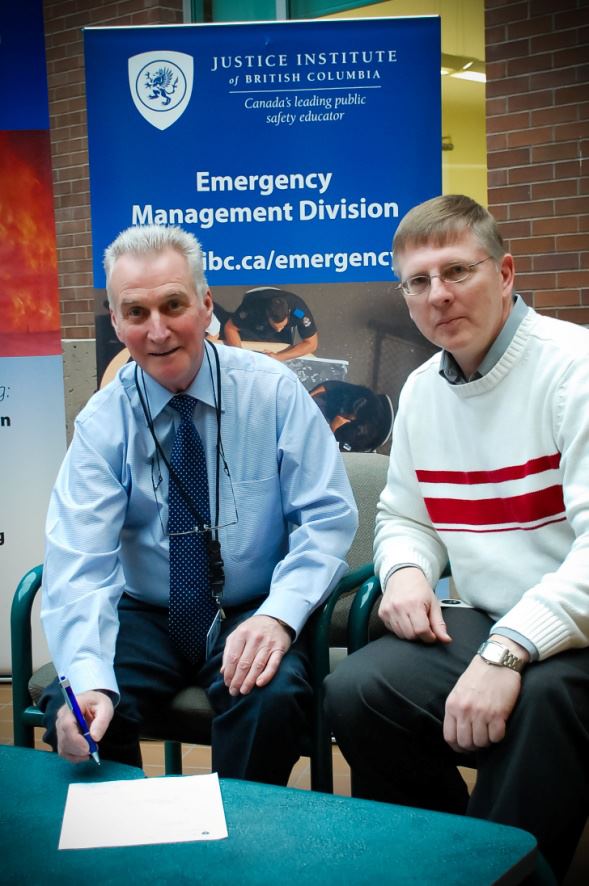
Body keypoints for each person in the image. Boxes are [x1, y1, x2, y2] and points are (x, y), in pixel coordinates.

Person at [324, 194, 589, 881]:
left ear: (503, 274)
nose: (437, 296)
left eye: (456, 272)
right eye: (417, 281)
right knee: (359, 690)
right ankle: (441, 860)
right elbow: (404, 515)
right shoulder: (421, 391)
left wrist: (505, 654)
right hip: (495, 621)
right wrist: (407, 571)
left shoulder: (573, 369)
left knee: (539, 702)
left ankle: (506, 875)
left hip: (573, 634)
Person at [39, 224, 357, 786]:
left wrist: (280, 615)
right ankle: (131, 851)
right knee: (84, 706)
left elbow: (324, 520)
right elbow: (78, 560)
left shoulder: (274, 392)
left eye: (173, 305)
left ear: (207, 305)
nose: (157, 331)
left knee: (272, 696)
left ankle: (235, 849)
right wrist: (86, 679)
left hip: (251, 605)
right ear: (116, 322)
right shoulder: (102, 421)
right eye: (135, 313)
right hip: (146, 611)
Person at [224, 286, 318, 362]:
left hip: (284, 322)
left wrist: (279, 357)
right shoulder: (252, 308)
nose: (279, 330)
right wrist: (240, 357)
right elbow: (230, 328)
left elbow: (312, 344)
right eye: (276, 326)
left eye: (282, 325)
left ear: (289, 312)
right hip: (256, 320)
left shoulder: (299, 312)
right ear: (268, 315)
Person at [309, 380, 393, 452]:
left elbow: (321, 449)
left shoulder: (353, 438)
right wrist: (308, 396)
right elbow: (330, 385)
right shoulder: (359, 395)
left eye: (350, 415)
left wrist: (332, 428)